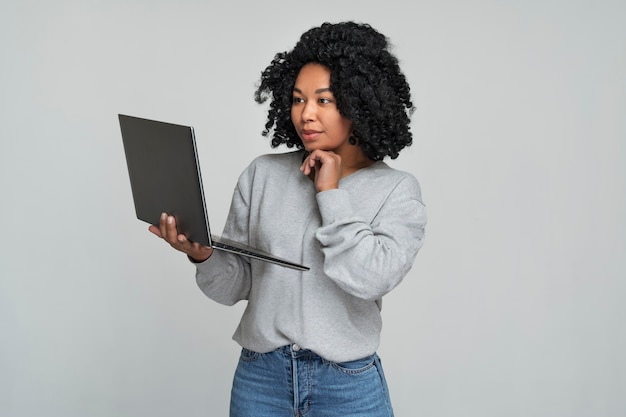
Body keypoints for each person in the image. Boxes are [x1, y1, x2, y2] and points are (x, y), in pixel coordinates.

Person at [149, 21, 427, 417]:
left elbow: (371, 278)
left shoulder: (397, 190)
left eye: (324, 100)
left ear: (361, 102)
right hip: (261, 378)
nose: (306, 114)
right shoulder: (263, 174)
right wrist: (202, 255)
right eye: (298, 99)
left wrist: (329, 194)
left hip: (345, 386)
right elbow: (235, 286)